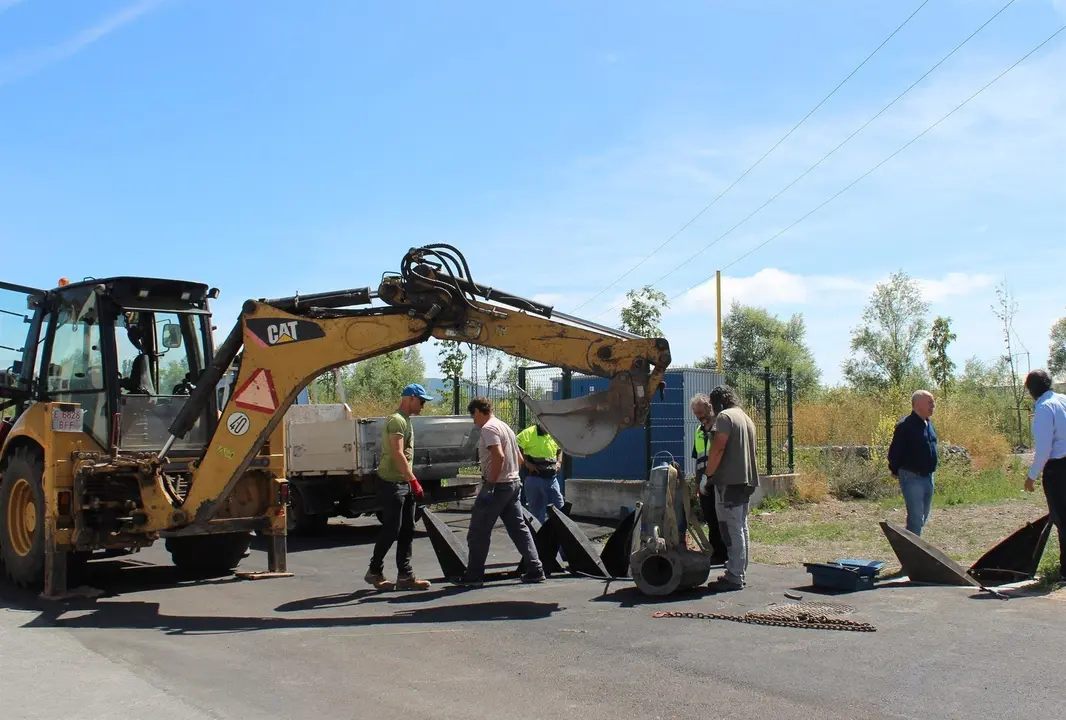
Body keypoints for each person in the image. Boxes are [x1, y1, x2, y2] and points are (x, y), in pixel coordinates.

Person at [455, 397, 545, 587]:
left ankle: (474, 575)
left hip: (498, 486)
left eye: (473, 416)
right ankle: (535, 569)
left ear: (479, 412)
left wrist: (491, 484)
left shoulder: (489, 429)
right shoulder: (506, 427)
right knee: (519, 529)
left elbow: (499, 456)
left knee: (479, 530)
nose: (474, 421)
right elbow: (519, 459)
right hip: (513, 484)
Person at [364, 383, 435, 591]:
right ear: (410, 398)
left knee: (407, 530)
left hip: (403, 482)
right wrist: (413, 480)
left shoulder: (406, 420)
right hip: (392, 484)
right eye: (421, 401)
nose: (422, 405)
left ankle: (405, 576)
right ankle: (374, 570)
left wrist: (409, 481)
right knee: (392, 530)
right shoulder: (396, 420)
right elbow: (397, 453)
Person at [702, 385, 759, 590]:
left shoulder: (725, 417)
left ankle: (734, 576)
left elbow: (718, 448)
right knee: (741, 526)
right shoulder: (745, 417)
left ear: (717, 403)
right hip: (746, 480)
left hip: (730, 482)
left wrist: (707, 475)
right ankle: (738, 570)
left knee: (732, 528)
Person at [1023, 370, 1066, 578]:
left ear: (1031, 391)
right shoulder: (1063, 400)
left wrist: (1032, 476)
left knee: (1063, 519)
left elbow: (1044, 450)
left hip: (1059, 469)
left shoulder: (1044, 408)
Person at [887, 390, 938, 536]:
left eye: (933, 402)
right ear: (917, 404)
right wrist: (896, 470)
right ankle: (911, 554)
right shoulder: (905, 425)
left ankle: (912, 547)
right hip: (912, 477)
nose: (933, 405)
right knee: (916, 518)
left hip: (929, 477)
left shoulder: (928, 424)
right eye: (929, 402)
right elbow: (895, 452)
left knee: (922, 517)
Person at [689, 393, 728, 564]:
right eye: (696, 414)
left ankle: (726, 553)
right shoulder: (698, 431)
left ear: (709, 408)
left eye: (701, 413)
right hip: (705, 484)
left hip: (718, 481)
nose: (699, 417)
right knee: (711, 519)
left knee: (722, 519)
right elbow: (698, 458)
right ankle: (717, 553)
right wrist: (698, 484)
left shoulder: (719, 428)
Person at [516, 421, 565, 524]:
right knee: (537, 514)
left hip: (552, 479)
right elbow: (515, 447)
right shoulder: (528, 433)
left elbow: (560, 449)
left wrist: (559, 462)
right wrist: (526, 462)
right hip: (534, 479)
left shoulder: (554, 434)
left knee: (560, 510)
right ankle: (538, 538)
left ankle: (558, 538)